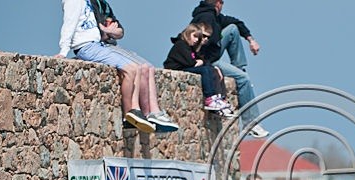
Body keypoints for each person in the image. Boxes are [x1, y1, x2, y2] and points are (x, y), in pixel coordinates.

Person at [59, 0, 179, 133]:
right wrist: (63, 52)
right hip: (87, 47)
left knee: (135, 68)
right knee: (130, 69)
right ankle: (129, 113)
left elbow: (111, 28)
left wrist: (107, 31)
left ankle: (136, 111)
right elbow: (69, 24)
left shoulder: (87, 2)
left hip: (97, 45)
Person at [190, 0, 269, 138]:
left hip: (211, 56)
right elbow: (201, 45)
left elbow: (237, 23)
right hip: (208, 60)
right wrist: (209, 65)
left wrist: (251, 40)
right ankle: (250, 123)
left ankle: (240, 68)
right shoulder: (206, 18)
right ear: (218, 3)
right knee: (244, 80)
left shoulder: (214, 16)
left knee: (232, 28)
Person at [163, 23, 234, 114]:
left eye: (198, 38)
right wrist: (200, 62)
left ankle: (219, 99)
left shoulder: (191, 48)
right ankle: (210, 99)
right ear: (188, 34)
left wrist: (204, 63)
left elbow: (201, 61)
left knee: (211, 70)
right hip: (178, 69)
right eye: (195, 36)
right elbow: (191, 63)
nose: (197, 40)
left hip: (185, 67)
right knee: (205, 70)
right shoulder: (181, 45)